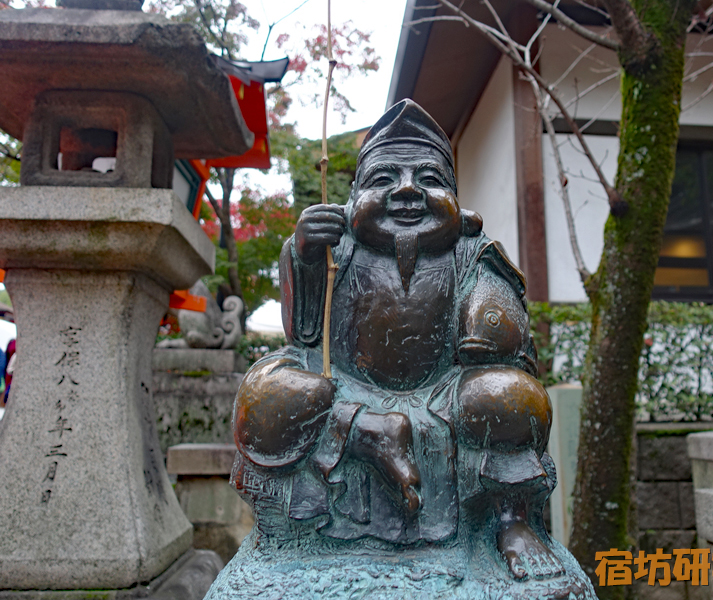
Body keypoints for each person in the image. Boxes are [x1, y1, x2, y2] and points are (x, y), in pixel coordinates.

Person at [231, 100, 562, 580]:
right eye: (384, 179)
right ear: (352, 197)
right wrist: (304, 253)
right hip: (344, 387)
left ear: (455, 197)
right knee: (263, 395)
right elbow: (303, 334)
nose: (407, 190)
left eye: (428, 180)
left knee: (512, 396)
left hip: (442, 394)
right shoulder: (335, 246)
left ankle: (511, 520)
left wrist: (490, 311)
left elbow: (504, 338)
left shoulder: (470, 250)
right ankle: (368, 431)